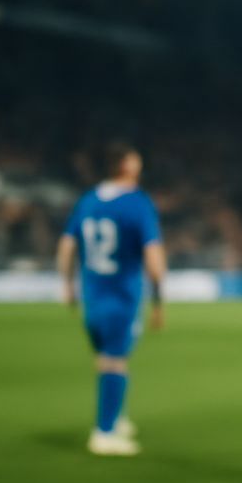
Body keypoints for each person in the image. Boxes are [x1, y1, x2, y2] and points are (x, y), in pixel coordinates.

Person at [56, 141, 166, 456]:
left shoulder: (87, 200)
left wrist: (67, 286)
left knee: (105, 358)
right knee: (115, 361)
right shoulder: (137, 203)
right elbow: (154, 258)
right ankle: (104, 433)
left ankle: (115, 418)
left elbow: (65, 248)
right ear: (128, 167)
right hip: (122, 296)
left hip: (92, 296)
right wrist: (159, 300)